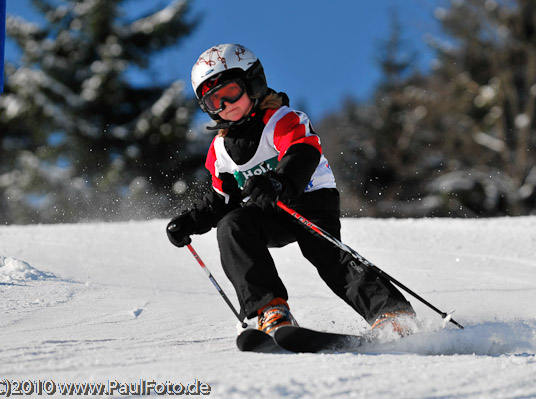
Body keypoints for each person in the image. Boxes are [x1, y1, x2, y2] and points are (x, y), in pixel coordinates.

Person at [167, 43, 415, 336]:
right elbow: (221, 198)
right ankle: (271, 310)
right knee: (232, 226)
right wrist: (191, 221)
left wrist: (280, 181)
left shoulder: (281, 120)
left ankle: (392, 314)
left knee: (326, 253)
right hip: (267, 211)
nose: (225, 105)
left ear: (252, 82)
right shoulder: (220, 149)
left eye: (230, 92)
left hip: (308, 198)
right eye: (213, 101)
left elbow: (303, 152)